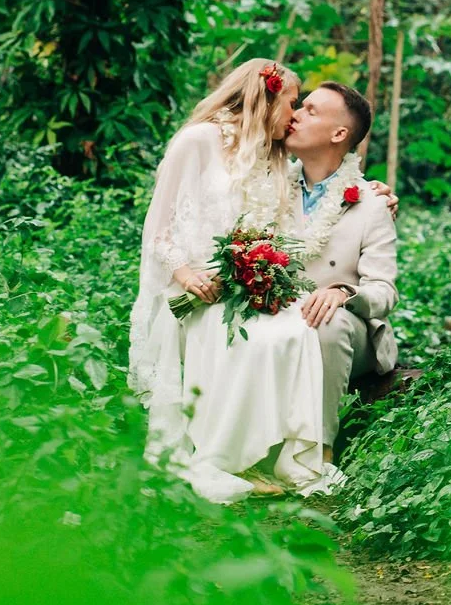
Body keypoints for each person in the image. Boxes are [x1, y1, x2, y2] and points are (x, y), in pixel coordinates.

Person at [129, 58, 344, 504]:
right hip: (195, 287)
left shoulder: (274, 155)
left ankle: (288, 457)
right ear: (266, 98)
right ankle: (222, 455)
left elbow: (292, 220)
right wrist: (186, 274)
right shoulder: (197, 141)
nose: (295, 113)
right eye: (292, 102)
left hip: (245, 286)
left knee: (296, 331)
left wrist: (376, 192)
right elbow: (158, 228)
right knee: (252, 340)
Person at [281, 83, 399, 448]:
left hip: (347, 329)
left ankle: (317, 449)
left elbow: (384, 291)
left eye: (311, 110)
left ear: (339, 133)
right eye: (300, 106)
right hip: (280, 315)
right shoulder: (270, 186)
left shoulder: (371, 202)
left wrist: (343, 292)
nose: (295, 114)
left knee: (326, 322)